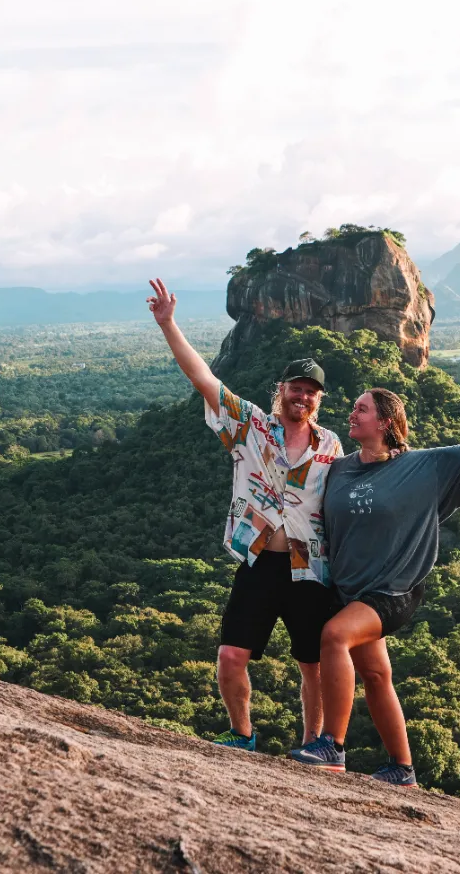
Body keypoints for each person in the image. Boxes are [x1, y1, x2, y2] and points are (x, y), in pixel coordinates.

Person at [290, 361, 460, 784]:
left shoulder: (422, 467)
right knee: (375, 674)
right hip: (350, 590)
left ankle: (332, 743)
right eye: (353, 407)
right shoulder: (341, 468)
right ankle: (402, 769)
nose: (352, 413)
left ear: (385, 423)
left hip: (394, 589)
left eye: (362, 409)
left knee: (334, 636)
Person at [147, 278, 344, 752]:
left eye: (311, 392)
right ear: (281, 391)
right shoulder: (252, 426)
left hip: (309, 569)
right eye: (296, 388)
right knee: (231, 656)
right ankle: (243, 735)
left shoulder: (332, 445)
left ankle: (314, 744)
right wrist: (168, 324)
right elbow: (203, 379)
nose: (303, 396)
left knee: (312, 663)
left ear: (319, 400)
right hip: (259, 561)